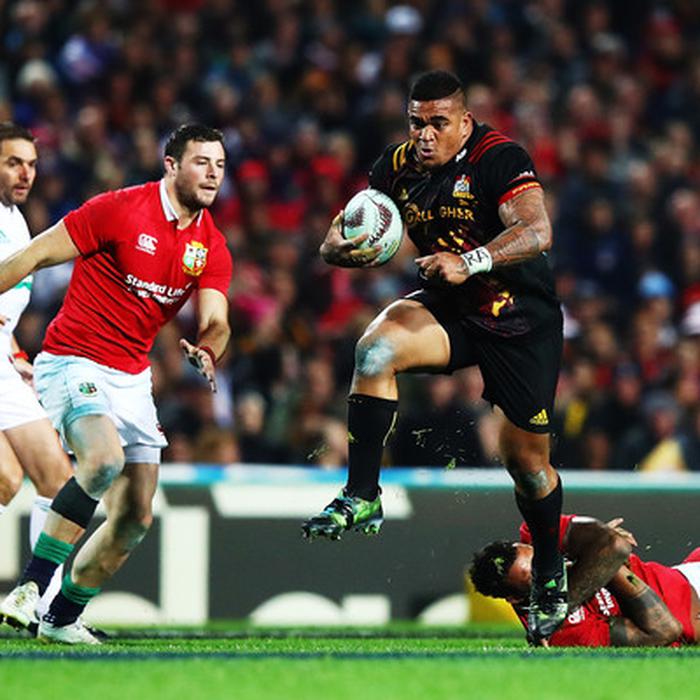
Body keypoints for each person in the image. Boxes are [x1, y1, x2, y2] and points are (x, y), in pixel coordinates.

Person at [301, 70, 567, 641]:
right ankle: (362, 493)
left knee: (526, 465)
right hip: (454, 308)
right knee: (374, 349)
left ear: (465, 122)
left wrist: (469, 262)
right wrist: (337, 248)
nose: (425, 135)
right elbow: (343, 233)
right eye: (416, 123)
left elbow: (537, 230)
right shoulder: (394, 168)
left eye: (438, 123)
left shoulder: (499, 157)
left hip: (521, 321)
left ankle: (549, 567)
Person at [0, 124, 232, 644]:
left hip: (131, 378)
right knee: (102, 460)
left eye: (220, 164)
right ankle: (30, 589)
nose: (213, 174)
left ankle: (61, 618)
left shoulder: (210, 244)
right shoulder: (118, 209)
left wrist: (208, 347)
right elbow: (34, 255)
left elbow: (217, 318)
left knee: (134, 517)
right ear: (171, 166)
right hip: (73, 360)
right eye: (201, 162)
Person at [0, 123, 73, 617]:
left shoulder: (18, 221)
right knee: (29, 478)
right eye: (13, 163)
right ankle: (45, 607)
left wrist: (18, 358)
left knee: (32, 480)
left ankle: (42, 608)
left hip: (3, 362)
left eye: (30, 164)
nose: (26, 173)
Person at [470, 514, 698, 647]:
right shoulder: (563, 634)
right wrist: (605, 564)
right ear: (515, 598)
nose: (549, 570)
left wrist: (600, 555)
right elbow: (665, 630)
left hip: (686, 569)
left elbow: (613, 544)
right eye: (535, 577)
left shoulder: (538, 532)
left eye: (541, 558)